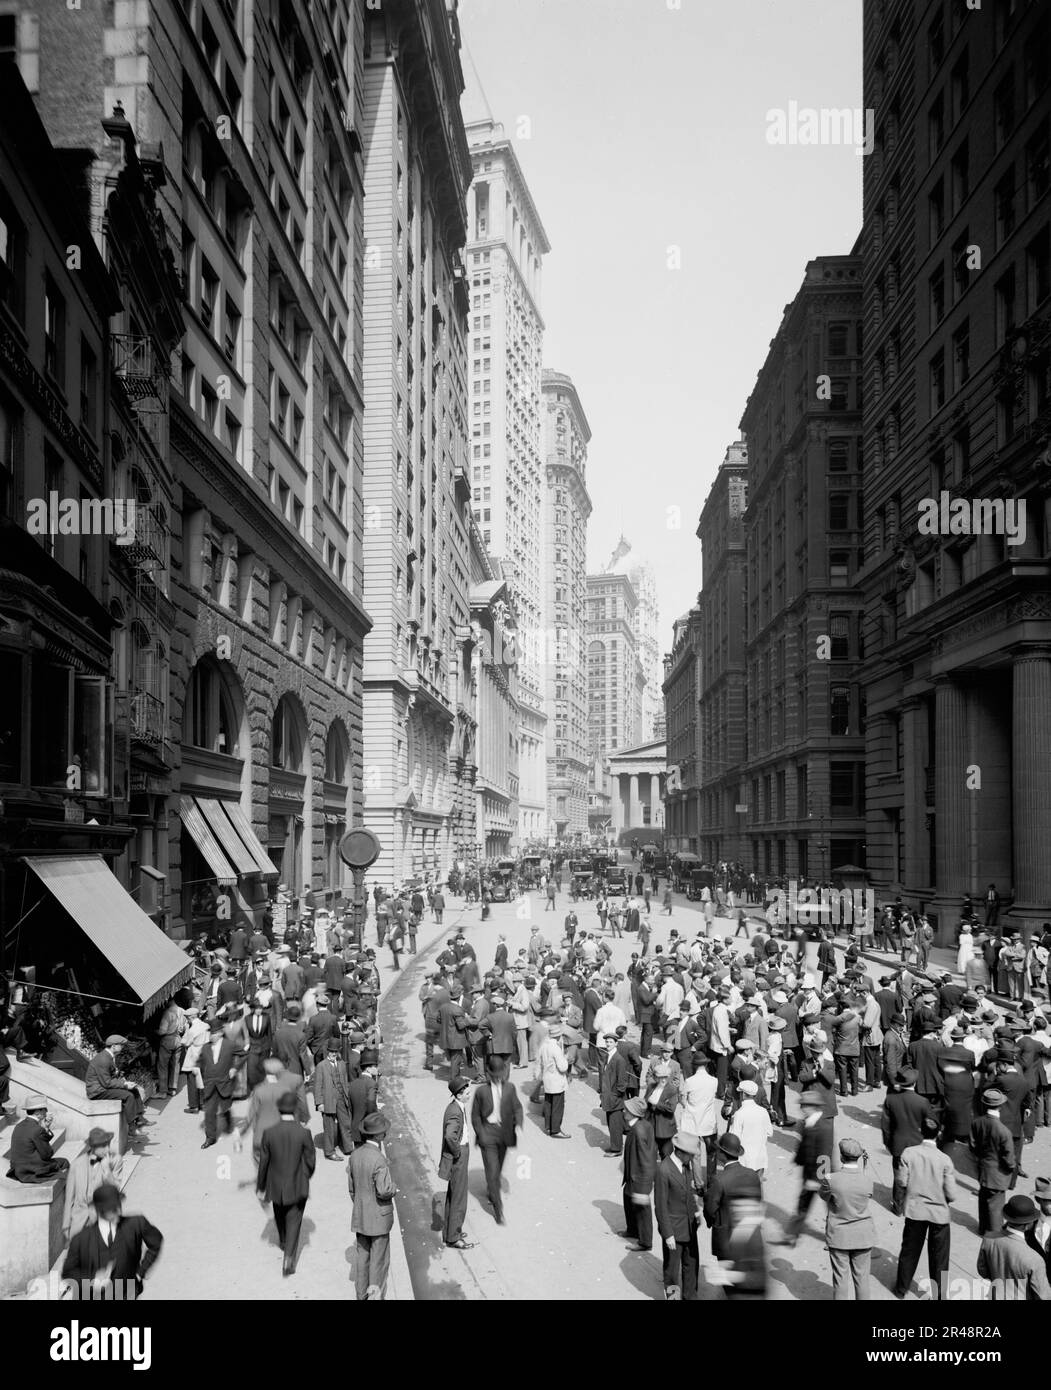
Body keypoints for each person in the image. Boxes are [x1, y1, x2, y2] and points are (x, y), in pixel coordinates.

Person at [62, 1183, 163, 1300]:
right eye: (112, 1209)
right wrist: (92, 1281)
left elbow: (156, 1242)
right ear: (100, 1211)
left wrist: (140, 1272)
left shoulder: (136, 1224)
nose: (118, 1212)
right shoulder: (81, 1239)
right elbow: (68, 1272)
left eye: (118, 1206)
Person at [893, 1114, 957, 1300]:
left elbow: (901, 1181)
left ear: (921, 1131)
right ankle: (939, 1295)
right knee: (939, 1258)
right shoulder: (945, 1160)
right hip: (939, 1214)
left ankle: (901, 1288)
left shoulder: (909, 1153)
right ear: (939, 1134)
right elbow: (952, 1194)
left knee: (909, 1251)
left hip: (915, 1210)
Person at [256, 1090, 316, 1276]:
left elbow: (263, 1162)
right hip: (297, 1186)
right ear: (295, 1110)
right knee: (294, 1221)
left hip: (275, 1186)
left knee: (279, 1214)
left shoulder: (269, 1133)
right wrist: (304, 1175)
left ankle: (282, 1240)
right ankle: (289, 1259)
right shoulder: (304, 1133)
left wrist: (261, 1186)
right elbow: (310, 1161)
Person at [347, 1111, 397, 1299]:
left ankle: (362, 1295)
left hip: (360, 1216)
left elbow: (352, 1190)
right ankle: (376, 1295)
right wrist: (394, 1188)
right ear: (379, 1135)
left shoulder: (355, 1155)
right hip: (379, 1219)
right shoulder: (379, 1159)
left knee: (362, 1260)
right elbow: (383, 1190)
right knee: (379, 1262)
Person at [820, 1137, 875, 1300]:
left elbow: (823, 1196)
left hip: (839, 1236)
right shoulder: (867, 1179)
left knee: (840, 1280)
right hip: (863, 1235)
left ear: (841, 1157)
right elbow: (867, 1194)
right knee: (862, 1279)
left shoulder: (830, 1179)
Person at [470, 1056, 523, 1225]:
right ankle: (498, 1209)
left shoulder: (510, 1088)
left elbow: (517, 1107)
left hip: (505, 1133)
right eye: (495, 1075)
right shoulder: (481, 1092)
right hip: (488, 1134)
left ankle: (491, 1188)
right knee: (492, 1172)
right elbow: (475, 1116)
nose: (498, 1077)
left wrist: (519, 1124)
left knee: (497, 1170)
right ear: (489, 1074)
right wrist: (481, 1134)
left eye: (501, 1074)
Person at [654, 1130, 703, 1300]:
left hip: (689, 1227)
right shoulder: (664, 1170)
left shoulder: (685, 1165)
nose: (692, 1158)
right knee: (672, 1271)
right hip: (674, 1230)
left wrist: (696, 1211)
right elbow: (660, 1206)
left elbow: (688, 1191)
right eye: (690, 1154)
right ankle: (673, 1297)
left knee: (691, 1264)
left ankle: (690, 1296)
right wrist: (668, 1234)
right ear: (680, 1152)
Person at [977, 1193, 1051, 1299]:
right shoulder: (1035, 1259)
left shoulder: (989, 1238)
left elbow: (982, 1270)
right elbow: (1043, 1295)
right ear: (1028, 1224)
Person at [704, 1132, 762, 1259]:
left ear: (722, 1154)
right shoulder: (752, 1174)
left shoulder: (719, 1180)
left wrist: (714, 1221)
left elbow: (710, 1209)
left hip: (727, 1241)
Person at [969, 1088, 1017, 1234]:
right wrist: (1011, 1167)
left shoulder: (976, 1122)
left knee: (983, 1200)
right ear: (1000, 1106)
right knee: (996, 1207)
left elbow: (972, 1146)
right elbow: (1009, 1158)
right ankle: (994, 1234)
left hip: (983, 1168)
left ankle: (983, 1228)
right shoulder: (1004, 1131)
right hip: (998, 1174)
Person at [63, 1127, 124, 1239]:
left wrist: (107, 1172)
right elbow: (69, 1198)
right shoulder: (77, 1164)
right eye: (102, 1146)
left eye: (108, 1144)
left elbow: (117, 1189)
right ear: (93, 1147)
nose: (107, 1149)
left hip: (105, 1217)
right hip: (79, 1219)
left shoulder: (116, 1160)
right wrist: (66, 1225)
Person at [198, 1015, 248, 1148]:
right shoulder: (205, 1048)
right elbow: (200, 1062)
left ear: (220, 1033)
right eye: (210, 1034)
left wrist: (234, 1068)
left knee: (225, 1106)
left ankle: (227, 1118)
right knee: (209, 1111)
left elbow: (244, 1054)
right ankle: (210, 1138)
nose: (211, 1036)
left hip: (224, 1082)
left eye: (214, 1033)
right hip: (210, 1084)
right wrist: (201, 1074)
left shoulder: (229, 1045)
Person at [84, 1035, 146, 1133]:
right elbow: (106, 1083)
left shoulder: (109, 1056)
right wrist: (124, 1085)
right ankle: (132, 1128)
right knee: (128, 1096)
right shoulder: (104, 1059)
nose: (122, 1047)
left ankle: (139, 1119)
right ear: (113, 1046)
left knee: (134, 1089)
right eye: (120, 1045)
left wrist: (125, 1082)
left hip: (102, 1087)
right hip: (97, 1092)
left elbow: (111, 1076)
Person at [440, 1076, 474, 1250]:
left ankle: (450, 1232)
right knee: (459, 1198)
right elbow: (450, 1135)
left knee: (453, 1196)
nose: (469, 1094)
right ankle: (454, 1237)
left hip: (458, 1155)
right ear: (459, 1095)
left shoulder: (456, 1106)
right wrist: (458, 1151)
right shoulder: (455, 1111)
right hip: (459, 1156)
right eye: (467, 1092)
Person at [621, 1096, 657, 1252]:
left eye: (626, 1110)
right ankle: (632, 1229)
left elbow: (646, 1158)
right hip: (632, 1174)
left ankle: (645, 1241)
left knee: (642, 1209)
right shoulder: (644, 1125)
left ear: (633, 1113)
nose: (624, 1111)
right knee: (628, 1199)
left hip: (639, 1177)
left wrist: (644, 1185)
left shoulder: (638, 1131)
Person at [6, 1094, 70, 1183]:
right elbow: (47, 1154)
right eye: (44, 1109)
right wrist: (43, 1130)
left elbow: (34, 1140)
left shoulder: (19, 1125)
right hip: (31, 1170)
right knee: (64, 1162)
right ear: (37, 1113)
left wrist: (45, 1128)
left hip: (17, 1169)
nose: (46, 1111)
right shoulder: (37, 1129)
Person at [313, 1037, 353, 1159]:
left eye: (335, 1051)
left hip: (341, 1098)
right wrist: (319, 1103)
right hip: (328, 1100)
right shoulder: (321, 1066)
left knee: (345, 1123)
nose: (333, 1054)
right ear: (327, 1051)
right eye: (331, 1051)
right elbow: (317, 1086)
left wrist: (347, 1096)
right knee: (329, 1127)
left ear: (338, 1052)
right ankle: (329, 1152)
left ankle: (347, 1148)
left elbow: (345, 1082)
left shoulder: (341, 1064)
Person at [729, 1079, 773, 1179]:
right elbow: (770, 1132)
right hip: (760, 1158)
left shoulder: (739, 1114)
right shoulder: (763, 1111)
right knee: (758, 1188)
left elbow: (735, 1138)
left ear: (743, 1094)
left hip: (745, 1160)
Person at [536, 1020, 570, 1138]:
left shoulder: (544, 1045)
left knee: (548, 1103)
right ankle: (556, 1130)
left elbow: (539, 1062)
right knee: (557, 1106)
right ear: (559, 1036)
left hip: (546, 1078)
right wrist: (566, 1058)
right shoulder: (555, 1048)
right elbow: (562, 1067)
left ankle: (548, 1126)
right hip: (556, 1079)